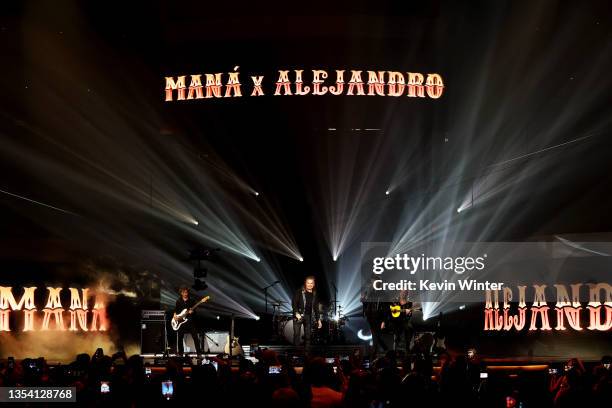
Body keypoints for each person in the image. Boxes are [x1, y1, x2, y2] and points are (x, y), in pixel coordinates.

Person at [292, 276, 322, 352]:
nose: (310, 284)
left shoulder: (315, 294)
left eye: (311, 283)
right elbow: (294, 303)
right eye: (308, 283)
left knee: (308, 335)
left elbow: (316, 308)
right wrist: (296, 313)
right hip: (298, 316)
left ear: (314, 284)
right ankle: (297, 352)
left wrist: (318, 320)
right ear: (305, 283)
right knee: (296, 334)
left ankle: (307, 352)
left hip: (308, 316)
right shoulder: (299, 291)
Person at [381, 290, 414, 355]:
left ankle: (407, 350)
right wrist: (384, 322)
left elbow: (410, 314)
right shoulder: (394, 301)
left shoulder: (409, 303)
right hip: (394, 321)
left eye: (406, 292)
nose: (404, 294)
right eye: (403, 292)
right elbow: (389, 310)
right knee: (398, 334)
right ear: (400, 292)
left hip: (404, 321)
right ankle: (395, 351)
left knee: (408, 329)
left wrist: (409, 312)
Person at [173, 286, 203, 356]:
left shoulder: (192, 300)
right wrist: (174, 316)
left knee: (195, 337)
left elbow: (195, 311)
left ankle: (199, 353)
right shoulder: (178, 301)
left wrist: (192, 312)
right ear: (181, 293)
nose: (185, 293)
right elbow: (176, 310)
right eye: (184, 292)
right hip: (181, 322)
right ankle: (181, 353)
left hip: (190, 321)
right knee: (180, 338)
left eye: (186, 292)